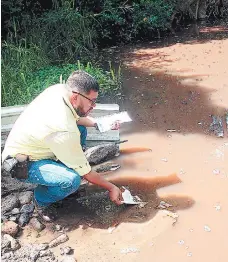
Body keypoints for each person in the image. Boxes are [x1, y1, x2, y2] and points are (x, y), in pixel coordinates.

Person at [2, 70, 123, 222]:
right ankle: (40, 201)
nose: (94, 105)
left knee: (81, 129)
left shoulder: (60, 91)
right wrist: (111, 187)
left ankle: (66, 166)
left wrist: (101, 124)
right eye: (91, 101)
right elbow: (87, 173)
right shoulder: (64, 129)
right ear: (75, 97)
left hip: (39, 144)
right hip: (22, 163)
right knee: (71, 181)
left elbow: (76, 119)